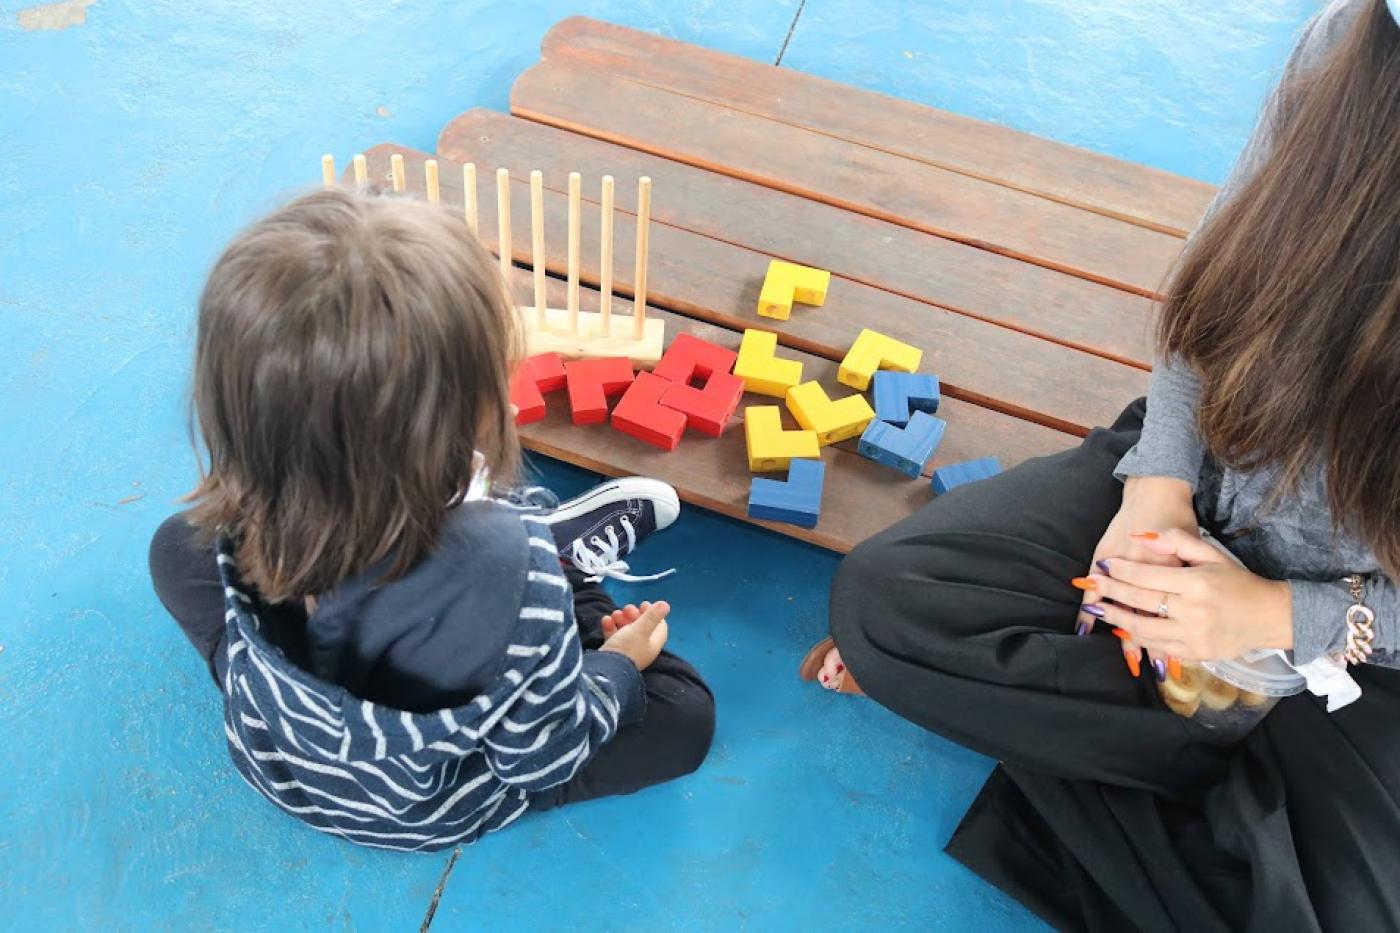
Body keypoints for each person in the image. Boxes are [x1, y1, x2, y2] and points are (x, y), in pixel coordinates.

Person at [802, 0, 1400, 927]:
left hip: (1364, 629)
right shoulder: (1350, 46)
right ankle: (1228, 788)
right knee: (889, 603)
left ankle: (1118, 742)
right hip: (1205, 483)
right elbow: (1216, 294)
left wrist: (1277, 614)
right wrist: (1157, 490)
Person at [149, 187, 714, 852]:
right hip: (420, 805)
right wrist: (616, 665)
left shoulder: (252, 487)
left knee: (175, 547)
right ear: (475, 403)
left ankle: (550, 592)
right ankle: (570, 576)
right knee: (683, 715)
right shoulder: (509, 562)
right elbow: (539, 758)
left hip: (273, 756)